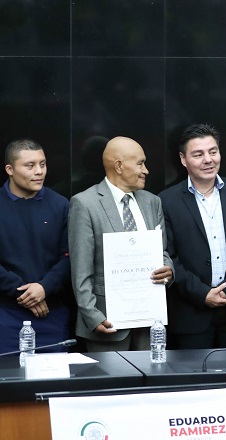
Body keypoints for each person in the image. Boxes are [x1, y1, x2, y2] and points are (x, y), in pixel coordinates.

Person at [160, 124, 226, 348]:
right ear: (183, 159)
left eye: (213, 151)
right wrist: (202, 294)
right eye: (198, 154)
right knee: (194, 380)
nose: (208, 160)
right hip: (191, 312)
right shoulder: (167, 201)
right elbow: (169, 256)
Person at [68, 137, 173, 352]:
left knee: (149, 383)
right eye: (140, 163)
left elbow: (161, 251)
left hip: (149, 321)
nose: (146, 170)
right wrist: (92, 315)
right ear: (119, 166)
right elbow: (81, 269)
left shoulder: (152, 202)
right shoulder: (85, 204)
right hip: (107, 322)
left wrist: (168, 269)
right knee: (111, 384)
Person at [0, 139, 71, 352]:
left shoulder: (61, 204)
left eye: (43, 164)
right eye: (30, 166)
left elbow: (71, 256)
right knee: (9, 382)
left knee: (54, 382)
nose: (39, 171)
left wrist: (44, 287)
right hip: (6, 313)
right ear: (10, 169)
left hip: (52, 312)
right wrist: (25, 294)